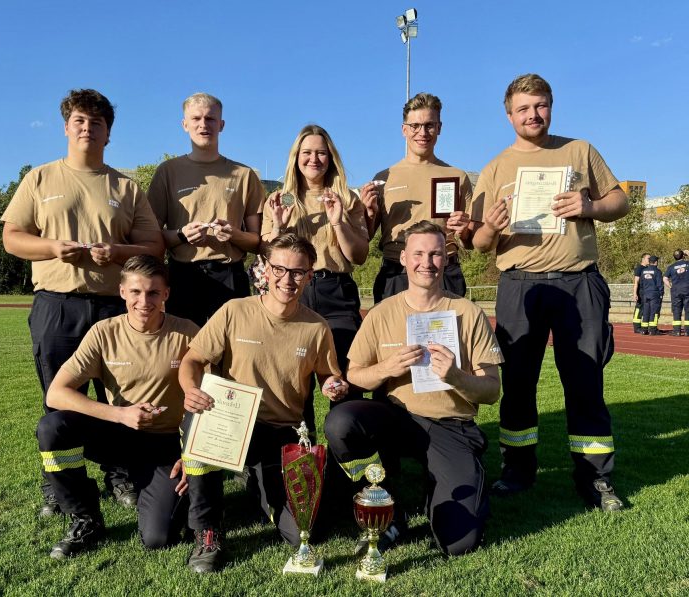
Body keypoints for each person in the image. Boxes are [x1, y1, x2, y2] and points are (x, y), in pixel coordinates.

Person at [469, 73, 630, 511]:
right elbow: (478, 243)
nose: (532, 114)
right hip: (520, 285)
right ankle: (518, 471)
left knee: (585, 382)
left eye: (540, 105)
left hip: (579, 280)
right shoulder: (495, 167)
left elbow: (622, 201)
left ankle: (595, 478)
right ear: (509, 115)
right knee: (518, 385)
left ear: (551, 106)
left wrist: (590, 206)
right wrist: (489, 228)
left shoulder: (579, 150)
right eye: (523, 108)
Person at [1, 89, 164, 516]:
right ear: (66, 127)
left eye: (97, 122)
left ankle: (120, 473)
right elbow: (12, 238)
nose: (87, 128)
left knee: (119, 397)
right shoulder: (39, 178)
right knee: (58, 399)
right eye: (79, 121)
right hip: (57, 304)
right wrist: (54, 247)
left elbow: (153, 246)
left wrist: (119, 252)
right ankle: (60, 487)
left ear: (108, 133)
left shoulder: (125, 186)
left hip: (114, 306)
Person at [324, 221, 502, 556]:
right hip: (395, 417)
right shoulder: (382, 313)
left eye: (436, 254)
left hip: (449, 425)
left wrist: (456, 376)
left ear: (446, 259)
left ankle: (447, 483)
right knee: (341, 423)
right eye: (418, 254)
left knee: (459, 542)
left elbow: (492, 391)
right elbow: (355, 375)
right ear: (403, 258)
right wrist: (386, 369)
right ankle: (385, 501)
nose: (427, 262)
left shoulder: (467, 312)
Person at [178, 233, 347, 573]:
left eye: (298, 272)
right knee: (197, 421)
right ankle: (207, 531)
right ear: (264, 270)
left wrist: (333, 386)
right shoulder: (234, 311)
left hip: (283, 433)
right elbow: (192, 360)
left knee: (303, 530)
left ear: (310, 276)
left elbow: (330, 377)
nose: (288, 279)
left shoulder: (317, 327)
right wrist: (189, 389)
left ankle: (252, 480)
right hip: (232, 422)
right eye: (280, 269)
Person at [37, 255, 196, 558]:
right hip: (119, 435)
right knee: (53, 427)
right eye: (135, 292)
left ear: (166, 294)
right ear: (122, 292)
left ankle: (169, 496)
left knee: (158, 538)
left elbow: (214, 394)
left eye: (152, 292)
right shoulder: (103, 332)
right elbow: (56, 393)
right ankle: (85, 518)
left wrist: (194, 454)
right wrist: (120, 414)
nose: (143, 301)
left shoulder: (187, 332)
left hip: (166, 446)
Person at [263, 124, 369, 400]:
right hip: (291, 291)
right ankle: (300, 443)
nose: (314, 159)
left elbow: (359, 256)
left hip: (335, 292)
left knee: (342, 382)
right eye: (307, 152)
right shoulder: (280, 199)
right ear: (296, 157)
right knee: (293, 383)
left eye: (321, 153)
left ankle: (343, 439)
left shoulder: (346, 198)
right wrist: (278, 227)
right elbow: (267, 257)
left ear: (331, 157)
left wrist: (338, 223)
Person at [147, 92, 265, 326]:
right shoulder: (167, 172)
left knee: (233, 352)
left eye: (210, 119)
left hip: (230, 274)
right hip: (182, 275)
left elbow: (257, 240)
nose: (203, 125)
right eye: (196, 118)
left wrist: (235, 235)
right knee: (183, 352)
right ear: (185, 124)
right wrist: (181, 235)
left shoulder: (244, 175)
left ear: (221, 124)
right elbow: (151, 236)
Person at [359, 93, 473, 304]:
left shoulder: (458, 177)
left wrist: (464, 229)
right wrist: (369, 212)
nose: (422, 132)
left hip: (444, 271)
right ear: (404, 129)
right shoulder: (384, 178)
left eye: (429, 125)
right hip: (396, 272)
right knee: (392, 337)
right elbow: (366, 237)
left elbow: (470, 241)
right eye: (415, 126)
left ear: (439, 128)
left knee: (445, 337)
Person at [663, 249, 689, 336]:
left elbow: (665, 278)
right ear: (683, 255)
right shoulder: (687, 264)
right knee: (688, 310)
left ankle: (677, 331)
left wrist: (670, 286)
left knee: (676, 310)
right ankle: (687, 331)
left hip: (676, 291)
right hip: (687, 290)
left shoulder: (671, 267)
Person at [639, 255, 664, 335]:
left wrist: (642, 294)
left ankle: (644, 329)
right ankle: (653, 330)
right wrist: (661, 294)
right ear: (656, 262)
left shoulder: (643, 271)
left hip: (645, 294)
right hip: (654, 294)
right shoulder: (657, 271)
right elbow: (660, 284)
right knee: (654, 311)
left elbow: (641, 284)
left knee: (646, 311)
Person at [632, 253, 651, 333]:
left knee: (646, 309)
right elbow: (636, 282)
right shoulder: (639, 268)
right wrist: (635, 293)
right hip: (640, 292)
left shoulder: (648, 268)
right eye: (648, 258)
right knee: (639, 309)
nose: (649, 260)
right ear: (643, 259)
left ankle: (646, 327)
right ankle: (637, 327)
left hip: (647, 292)